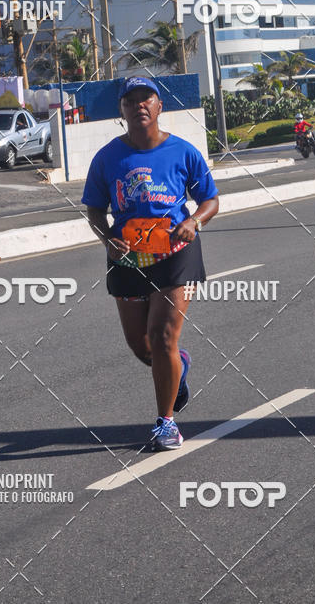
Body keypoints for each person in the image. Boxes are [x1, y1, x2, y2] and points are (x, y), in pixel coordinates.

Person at [82, 76, 219, 451]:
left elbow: (210, 200)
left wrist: (194, 221)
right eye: (131, 100)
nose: (140, 105)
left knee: (162, 338)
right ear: (121, 111)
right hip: (128, 259)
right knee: (142, 346)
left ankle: (166, 423)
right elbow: (94, 208)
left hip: (176, 256)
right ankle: (180, 367)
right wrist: (107, 236)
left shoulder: (183, 152)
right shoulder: (108, 157)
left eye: (148, 99)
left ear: (160, 106)